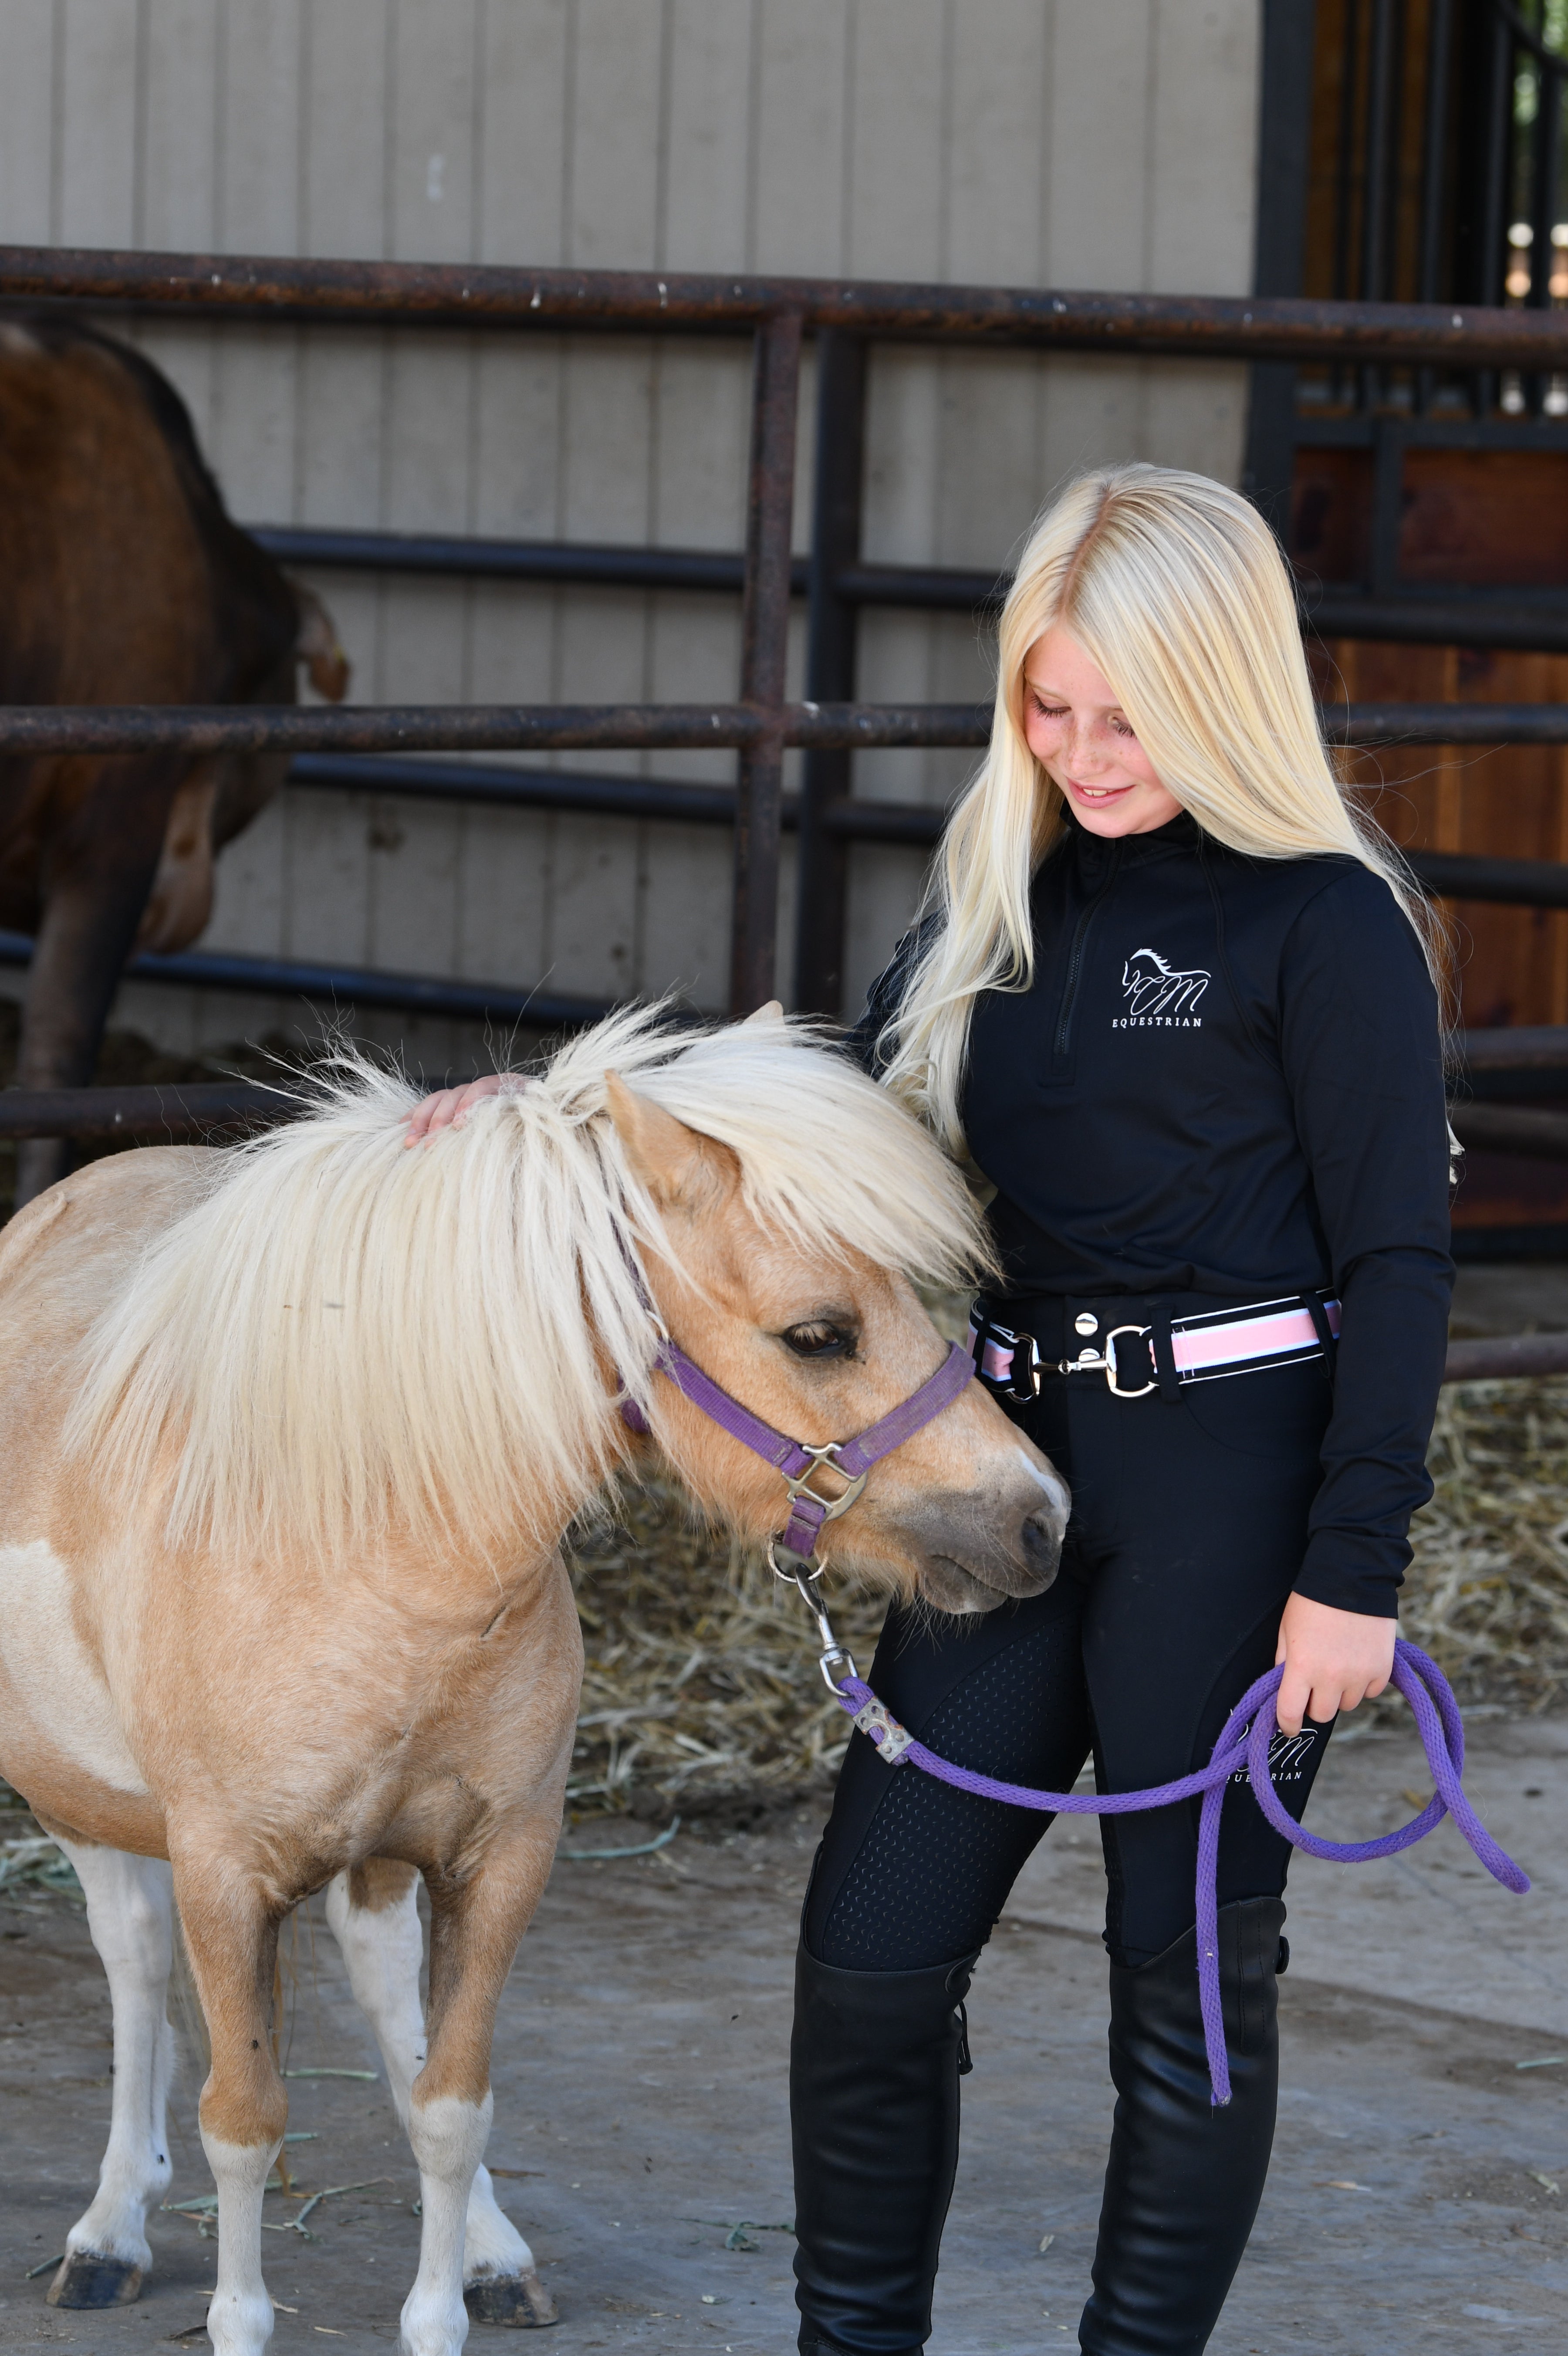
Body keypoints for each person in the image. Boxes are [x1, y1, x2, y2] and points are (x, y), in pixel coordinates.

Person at [403, 464, 1453, 2356]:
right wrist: (543, 1141)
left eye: (1128, 710)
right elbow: (823, 1154)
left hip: (1233, 1488)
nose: (1084, 748)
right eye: (1050, 707)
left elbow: (1400, 1271)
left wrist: (1353, 1567)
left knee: (1189, 1975)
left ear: (1224, 682)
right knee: (869, 1955)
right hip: (1005, 1472)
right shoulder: (993, 910)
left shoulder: (1328, 926)